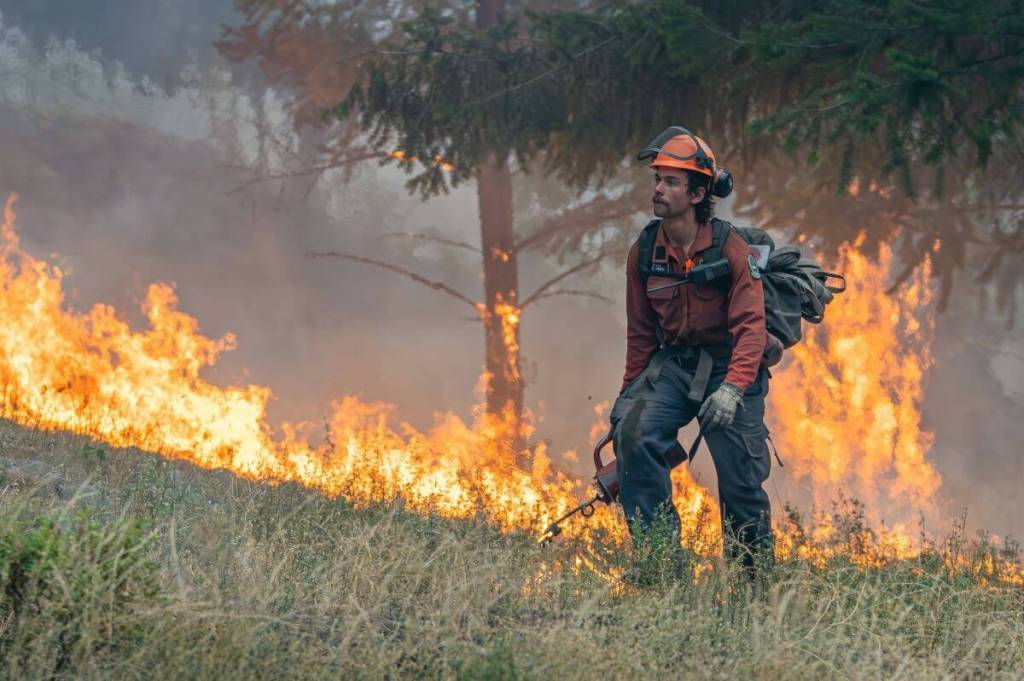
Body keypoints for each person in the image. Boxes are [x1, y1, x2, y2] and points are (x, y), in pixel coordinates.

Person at [610, 127, 774, 571]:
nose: (658, 190)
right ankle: (661, 567)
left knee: (740, 480)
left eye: (671, 182)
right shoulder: (644, 252)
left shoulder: (731, 249)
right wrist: (627, 398)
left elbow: (751, 329)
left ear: (699, 193)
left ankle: (753, 587)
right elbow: (641, 335)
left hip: (730, 368)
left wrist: (735, 388)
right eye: (657, 180)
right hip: (675, 368)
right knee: (634, 434)